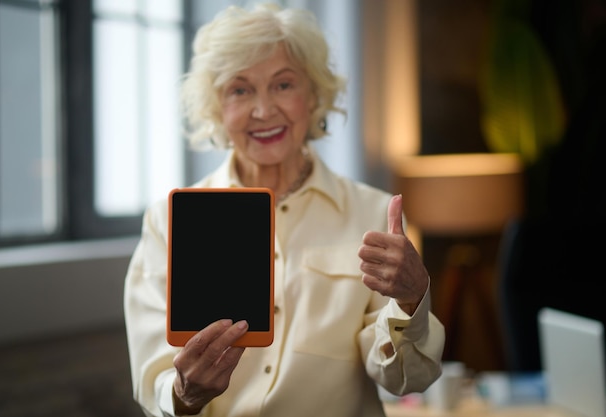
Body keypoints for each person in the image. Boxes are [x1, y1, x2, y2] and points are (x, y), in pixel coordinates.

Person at [124, 3, 445, 417]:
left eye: (283, 85)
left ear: (313, 96)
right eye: (240, 90)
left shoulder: (373, 212)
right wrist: (184, 393)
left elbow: (407, 380)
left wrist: (411, 301)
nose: (263, 110)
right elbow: (156, 383)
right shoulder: (168, 221)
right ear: (216, 107)